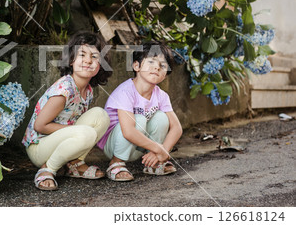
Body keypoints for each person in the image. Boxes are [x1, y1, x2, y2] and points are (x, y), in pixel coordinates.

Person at [22, 31, 112, 190]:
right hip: (39, 146)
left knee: (101, 115)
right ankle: (47, 169)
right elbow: (40, 126)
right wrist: (76, 130)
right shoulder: (65, 89)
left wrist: (77, 131)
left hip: (59, 140)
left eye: (94, 57)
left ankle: (75, 164)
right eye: (82, 54)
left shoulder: (88, 90)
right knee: (87, 133)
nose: (87, 60)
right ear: (71, 60)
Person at [97, 41, 183, 181]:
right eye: (151, 62)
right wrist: (158, 148)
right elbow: (128, 131)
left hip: (138, 145)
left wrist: (163, 151)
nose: (156, 67)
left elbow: (177, 128)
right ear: (136, 66)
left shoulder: (161, 95)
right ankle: (116, 162)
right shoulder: (125, 92)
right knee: (140, 119)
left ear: (165, 75)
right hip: (113, 144)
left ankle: (154, 162)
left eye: (162, 65)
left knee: (161, 117)